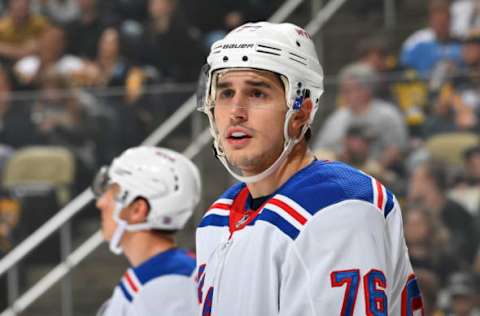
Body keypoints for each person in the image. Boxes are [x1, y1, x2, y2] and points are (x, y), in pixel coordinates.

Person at [196, 21, 424, 315]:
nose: (236, 112)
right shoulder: (218, 216)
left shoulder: (339, 205)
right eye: (226, 93)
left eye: (257, 94)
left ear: (301, 111)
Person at [93, 146, 201, 316]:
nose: (101, 203)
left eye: (112, 192)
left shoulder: (159, 285)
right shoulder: (179, 272)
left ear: (138, 210)